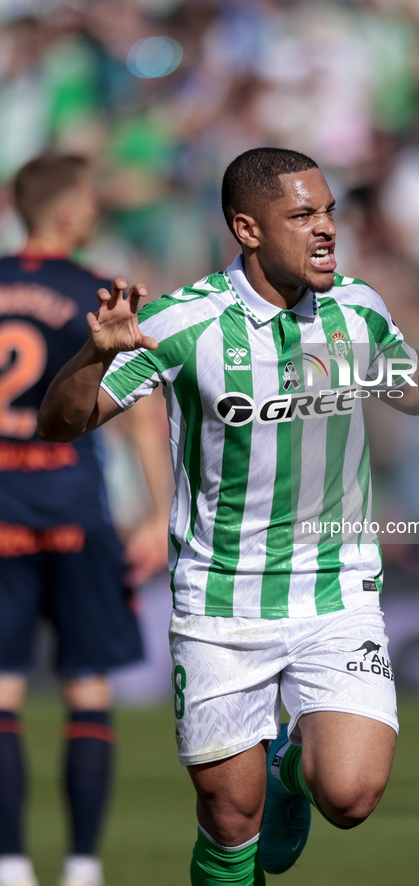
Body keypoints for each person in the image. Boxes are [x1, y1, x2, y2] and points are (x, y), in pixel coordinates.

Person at [37, 147, 419, 886]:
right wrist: (92, 354)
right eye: (302, 215)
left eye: (329, 212)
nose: (325, 230)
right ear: (247, 228)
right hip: (222, 601)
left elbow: (418, 390)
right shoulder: (182, 324)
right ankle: (255, 797)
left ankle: (288, 771)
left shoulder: (356, 307)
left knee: (349, 794)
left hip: (335, 591)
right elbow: (61, 422)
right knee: (227, 819)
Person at [0, 154, 170, 886]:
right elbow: (138, 416)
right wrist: (160, 512)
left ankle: (8, 862)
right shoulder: (94, 297)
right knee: (86, 686)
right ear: (70, 213)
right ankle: (81, 865)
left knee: (2, 690)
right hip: (76, 508)